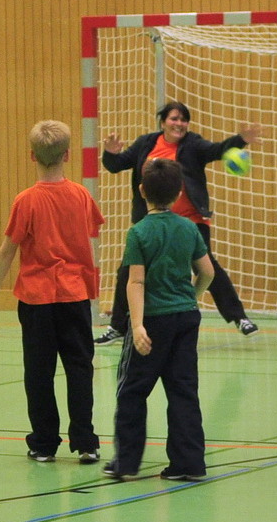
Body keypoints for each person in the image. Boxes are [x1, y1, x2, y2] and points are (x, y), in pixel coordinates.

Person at [0, 120, 104, 464]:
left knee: (38, 372)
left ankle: (45, 444)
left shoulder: (26, 201)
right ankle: (86, 441)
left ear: (32, 156)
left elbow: (8, 250)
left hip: (37, 300)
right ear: (67, 155)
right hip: (75, 295)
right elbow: (89, 235)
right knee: (80, 369)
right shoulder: (81, 195)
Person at [98, 101, 260, 342]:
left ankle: (239, 317)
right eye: (174, 118)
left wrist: (240, 140)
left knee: (208, 267)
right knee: (128, 270)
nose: (180, 124)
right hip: (153, 221)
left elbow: (217, 150)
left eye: (184, 120)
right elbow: (115, 165)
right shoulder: (146, 143)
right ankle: (118, 327)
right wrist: (111, 153)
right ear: (163, 122)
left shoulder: (193, 144)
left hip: (190, 221)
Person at [105, 158, 214, 482]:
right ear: (179, 192)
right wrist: (190, 297)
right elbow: (207, 272)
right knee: (183, 391)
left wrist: (137, 325)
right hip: (185, 318)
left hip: (153, 321)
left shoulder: (139, 232)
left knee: (132, 391)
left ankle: (126, 463)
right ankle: (189, 464)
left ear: (142, 191)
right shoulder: (189, 228)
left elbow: (136, 281)